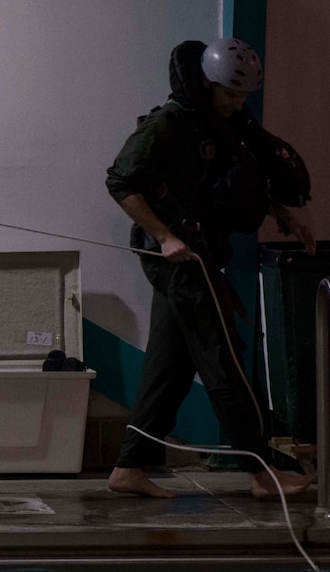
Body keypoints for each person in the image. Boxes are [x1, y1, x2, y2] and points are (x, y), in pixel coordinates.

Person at [106, 37, 317, 500]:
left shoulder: (215, 125)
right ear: (206, 82)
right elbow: (121, 182)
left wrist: (283, 215)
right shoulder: (168, 123)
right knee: (224, 360)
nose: (237, 104)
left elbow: (223, 189)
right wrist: (165, 236)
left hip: (197, 255)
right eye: (229, 94)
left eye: (243, 97)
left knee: (170, 367)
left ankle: (129, 467)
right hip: (178, 260)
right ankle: (262, 473)